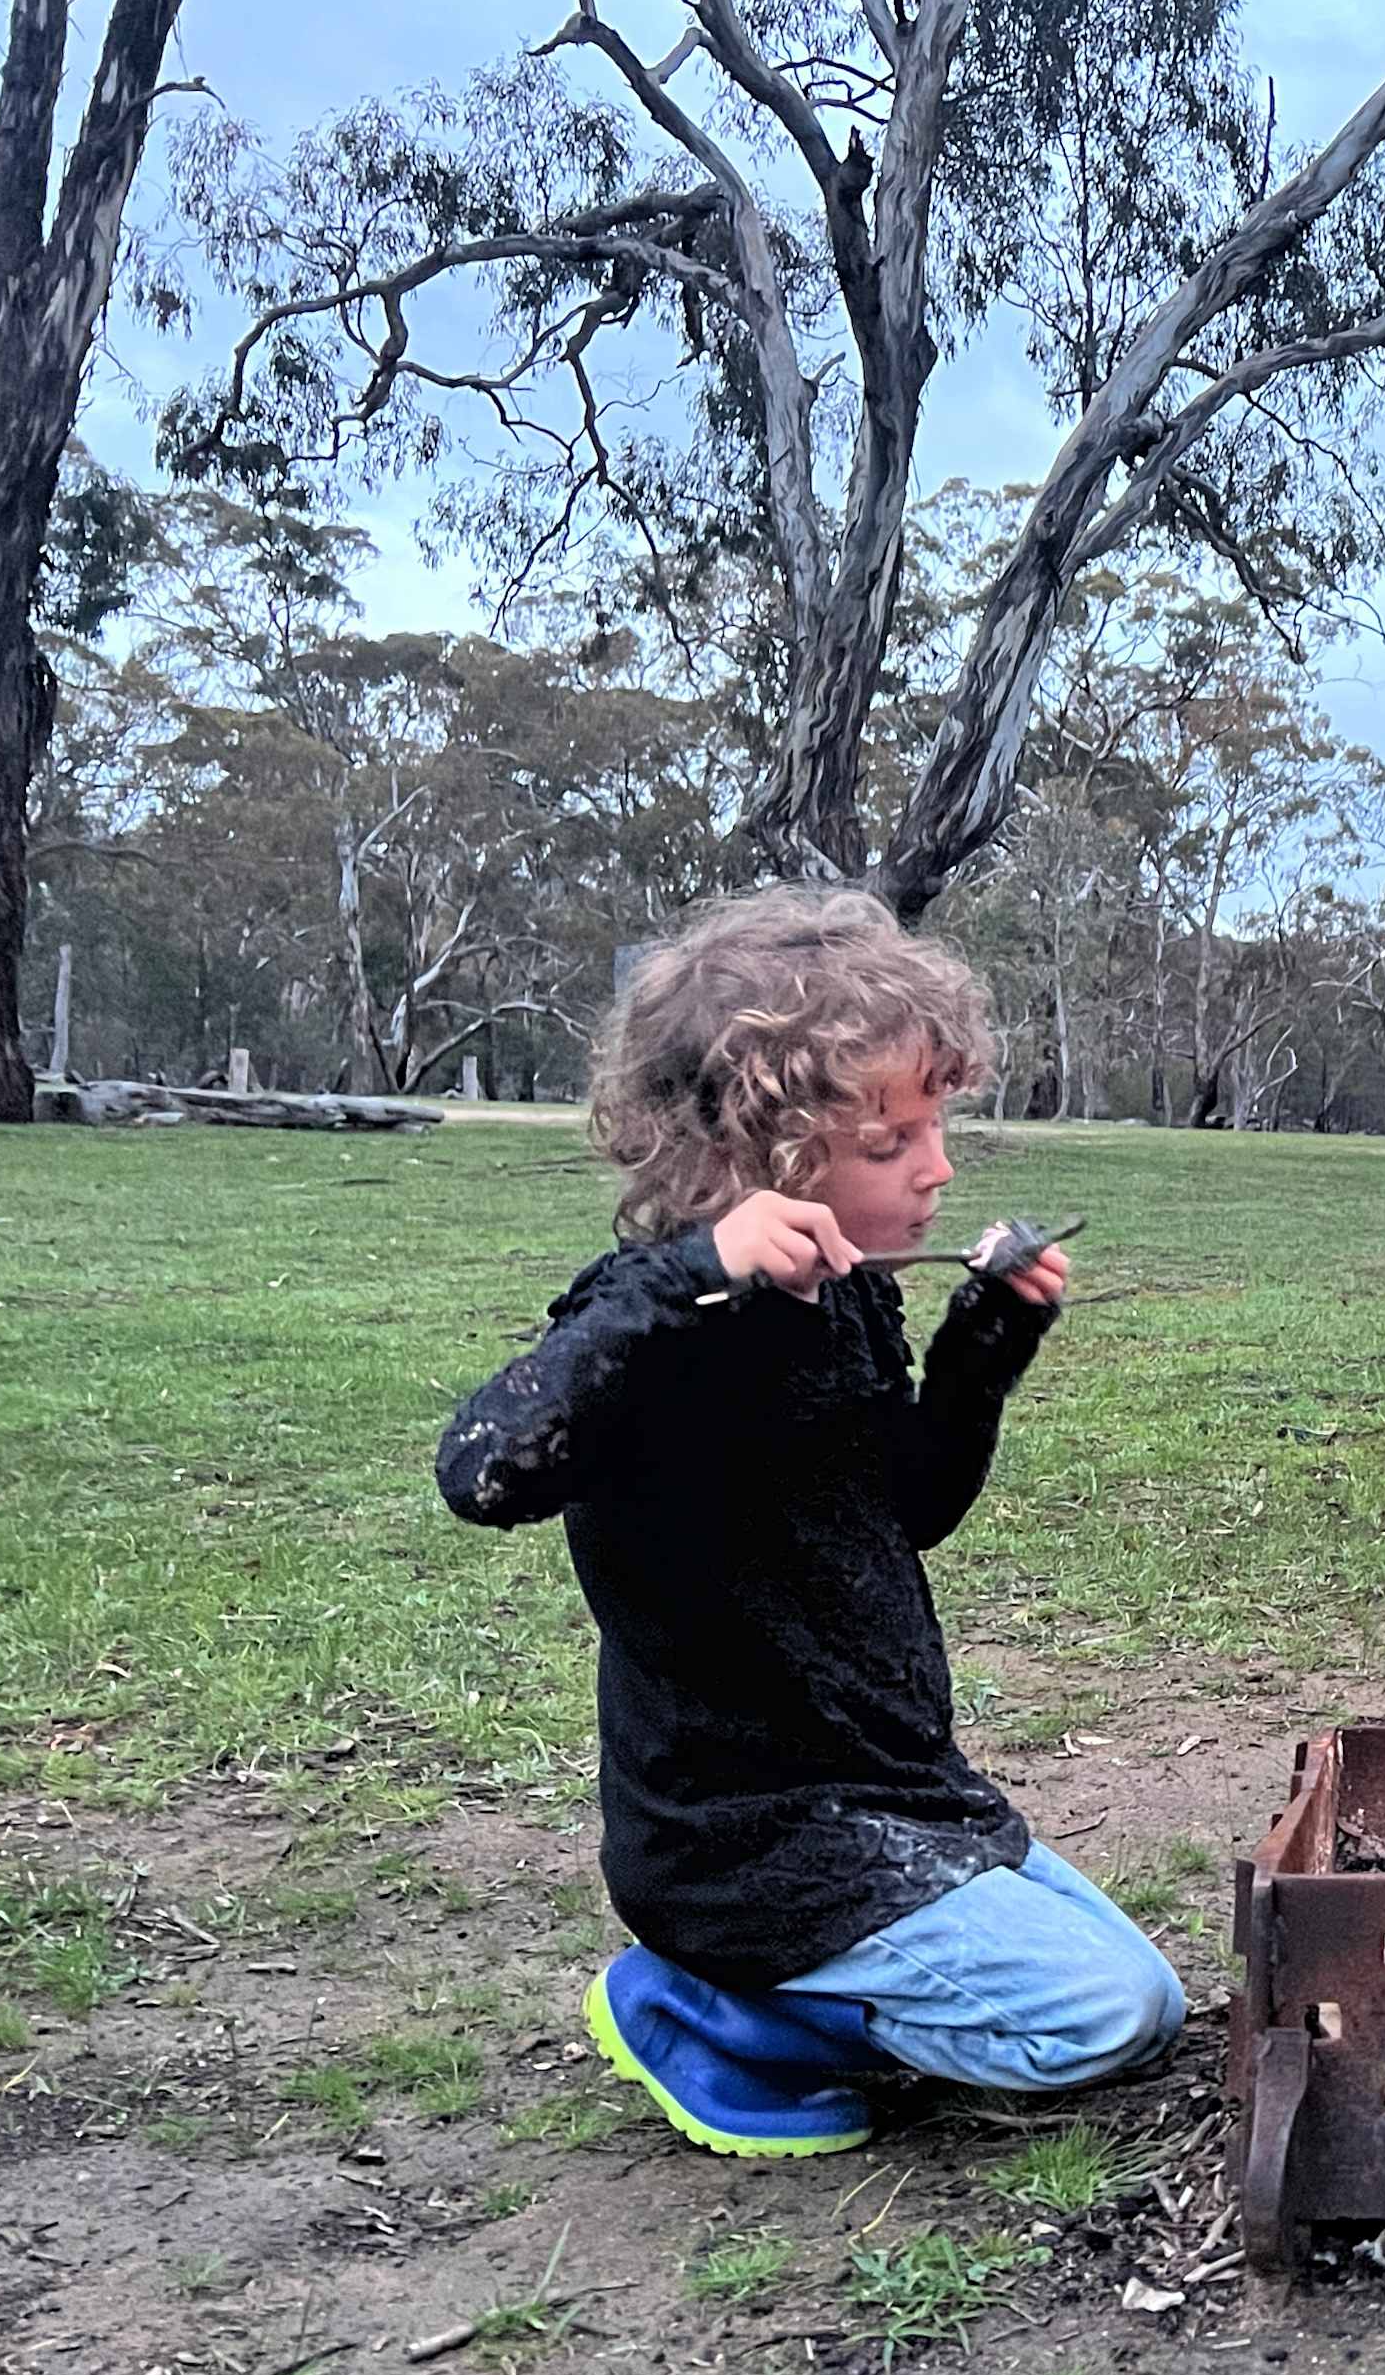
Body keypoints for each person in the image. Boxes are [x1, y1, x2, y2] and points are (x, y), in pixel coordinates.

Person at [435, 887, 1182, 2157]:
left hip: (887, 1792)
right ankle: (707, 2007)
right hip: (745, 1841)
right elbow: (482, 1469)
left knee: (1149, 2000)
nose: (940, 1166)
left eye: (938, 1124)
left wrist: (982, 1350)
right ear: (748, 1157)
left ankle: (794, 1990)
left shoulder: (840, 1303)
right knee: (1097, 2019)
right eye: (894, 1143)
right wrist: (686, 1277)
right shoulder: (657, 1319)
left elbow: (904, 1514)